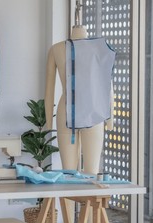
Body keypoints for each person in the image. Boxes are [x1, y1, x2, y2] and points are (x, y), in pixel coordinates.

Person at [44, 24, 114, 174]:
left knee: (90, 172)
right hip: (79, 113)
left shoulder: (98, 48)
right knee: (69, 172)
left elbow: (106, 84)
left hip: (85, 114)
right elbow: (107, 85)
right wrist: (110, 118)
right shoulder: (56, 49)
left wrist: (110, 118)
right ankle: (70, 198)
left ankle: (87, 198)